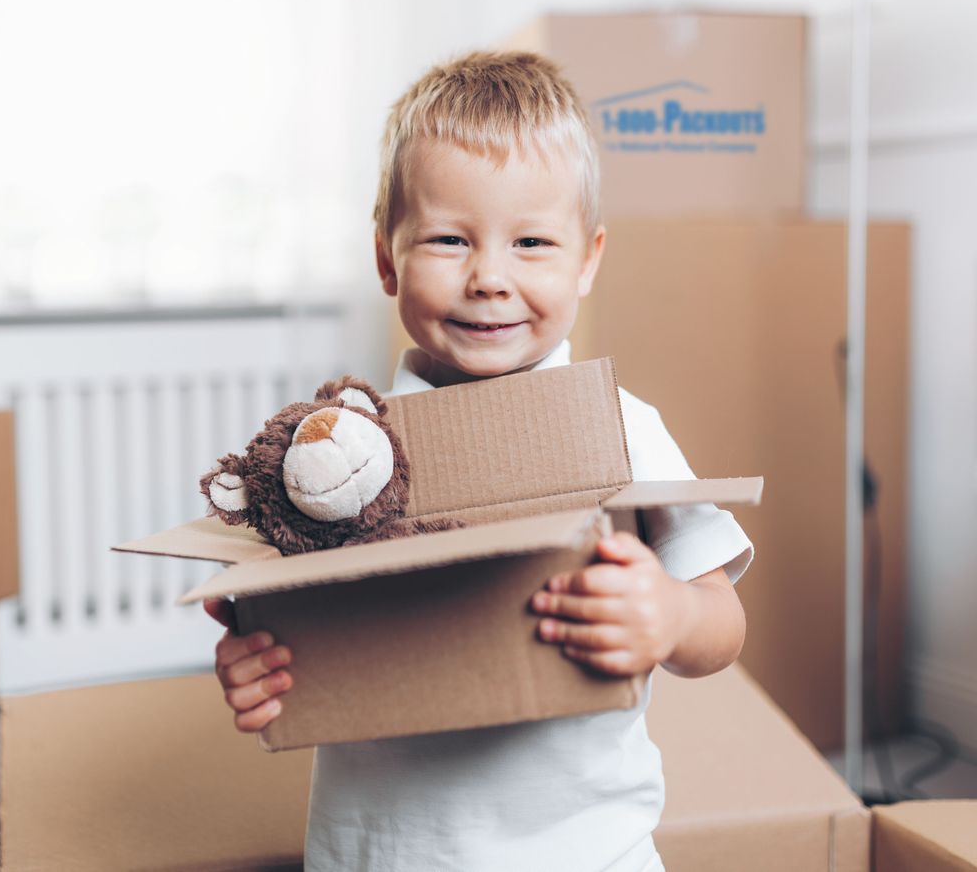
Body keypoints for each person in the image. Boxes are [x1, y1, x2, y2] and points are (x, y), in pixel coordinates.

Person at [204, 50, 753, 871]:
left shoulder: (620, 428)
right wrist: (256, 666)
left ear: (589, 258)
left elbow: (722, 623)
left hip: (589, 854)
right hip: (379, 855)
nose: (489, 277)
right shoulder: (332, 462)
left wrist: (670, 615)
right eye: (448, 239)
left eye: (532, 241)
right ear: (387, 257)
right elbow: (280, 626)